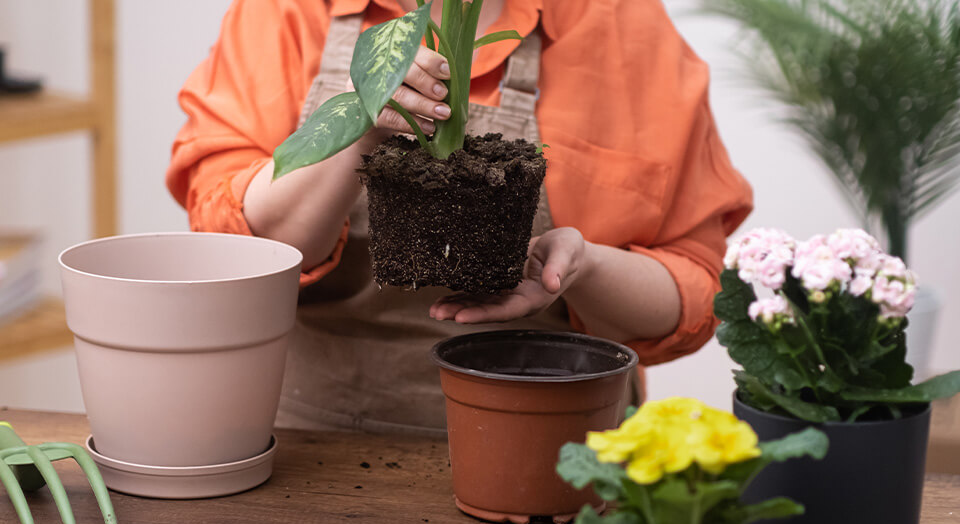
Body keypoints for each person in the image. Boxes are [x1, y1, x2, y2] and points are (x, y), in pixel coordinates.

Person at [166, 0, 753, 435]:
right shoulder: (290, 12)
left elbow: (695, 287)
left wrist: (585, 266)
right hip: (308, 441)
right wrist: (361, 118)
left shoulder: (621, 25)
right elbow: (236, 249)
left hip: (557, 446)